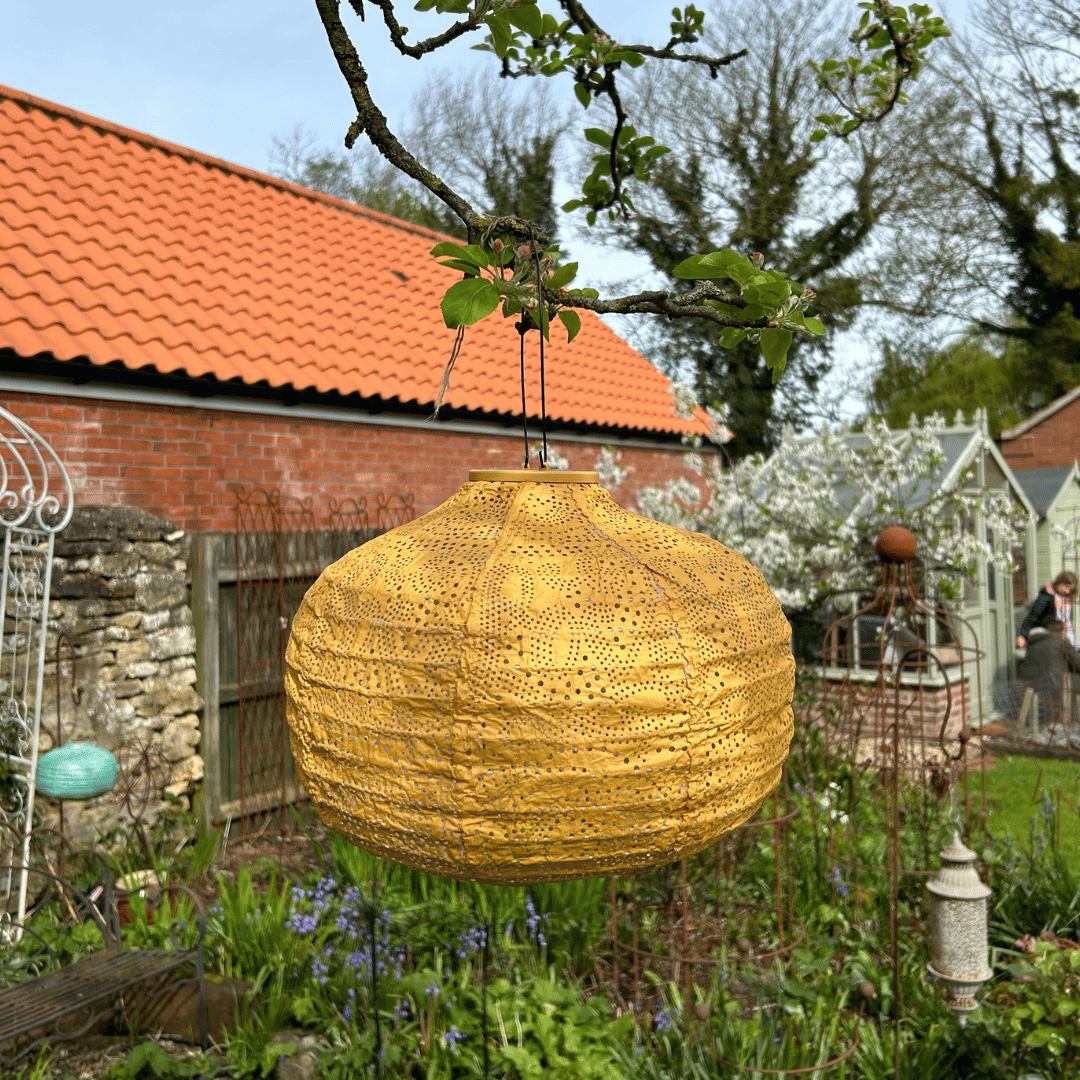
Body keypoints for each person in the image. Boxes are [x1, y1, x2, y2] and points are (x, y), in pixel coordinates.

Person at [1019, 618, 1080, 729]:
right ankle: (1072, 722)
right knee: (1075, 681)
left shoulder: (1033, 644)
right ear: (1062, 631)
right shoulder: (1061, 643)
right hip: (1053, 688)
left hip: (1029, 688)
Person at [1016, 570, 1077, 648]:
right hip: (1049, 635)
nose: (1067, 591)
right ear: (1059, 583)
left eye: (1070, 589)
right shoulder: (1046, 597)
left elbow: (1069, 619)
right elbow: (1033, 616)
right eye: (1066, 587)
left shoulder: (1067, 599)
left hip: (1066, 636)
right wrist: (1023, 635)